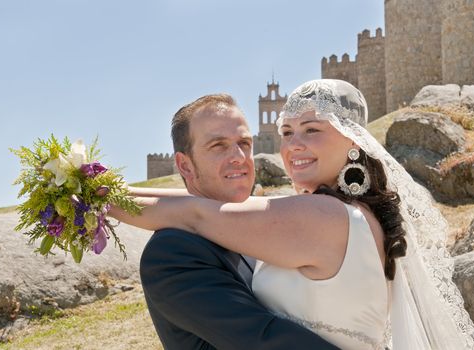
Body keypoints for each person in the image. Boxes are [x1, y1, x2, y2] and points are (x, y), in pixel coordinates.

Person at [112, 80, 474, 349]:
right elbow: (201, 208)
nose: (293, 145)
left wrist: (93, 200)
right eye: (286, 132)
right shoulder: (355, 213)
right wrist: (97, 190)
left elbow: (197, 213)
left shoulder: (320, 215)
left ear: (353, 141)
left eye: (312, 130)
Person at [128, 94, 337, 349]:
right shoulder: (171, 253)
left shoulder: (255, 223)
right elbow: (265, 341)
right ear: (185, 166)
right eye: (219, 145)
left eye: (244, 143)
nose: (239, 156)